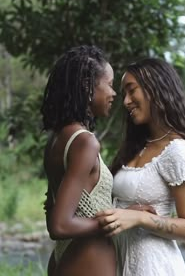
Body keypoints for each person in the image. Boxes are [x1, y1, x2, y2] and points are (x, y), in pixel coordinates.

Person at [96, 58, 185, 276]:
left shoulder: (176, 151)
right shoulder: (138, 146)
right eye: (124, 93)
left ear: (156, 88)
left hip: (154, 267)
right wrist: (128, 213)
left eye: (132, 90)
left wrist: (140, 218)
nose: (126, 101)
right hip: (122, 263)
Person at [41, 45, 117, 276]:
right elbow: (60, 225)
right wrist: (116, 222)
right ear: (88, 86)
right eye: (110, 84)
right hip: (86, 263)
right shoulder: (85, 142)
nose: (114, 93)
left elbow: (51, 209)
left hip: (67, 259)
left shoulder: (57, 138)